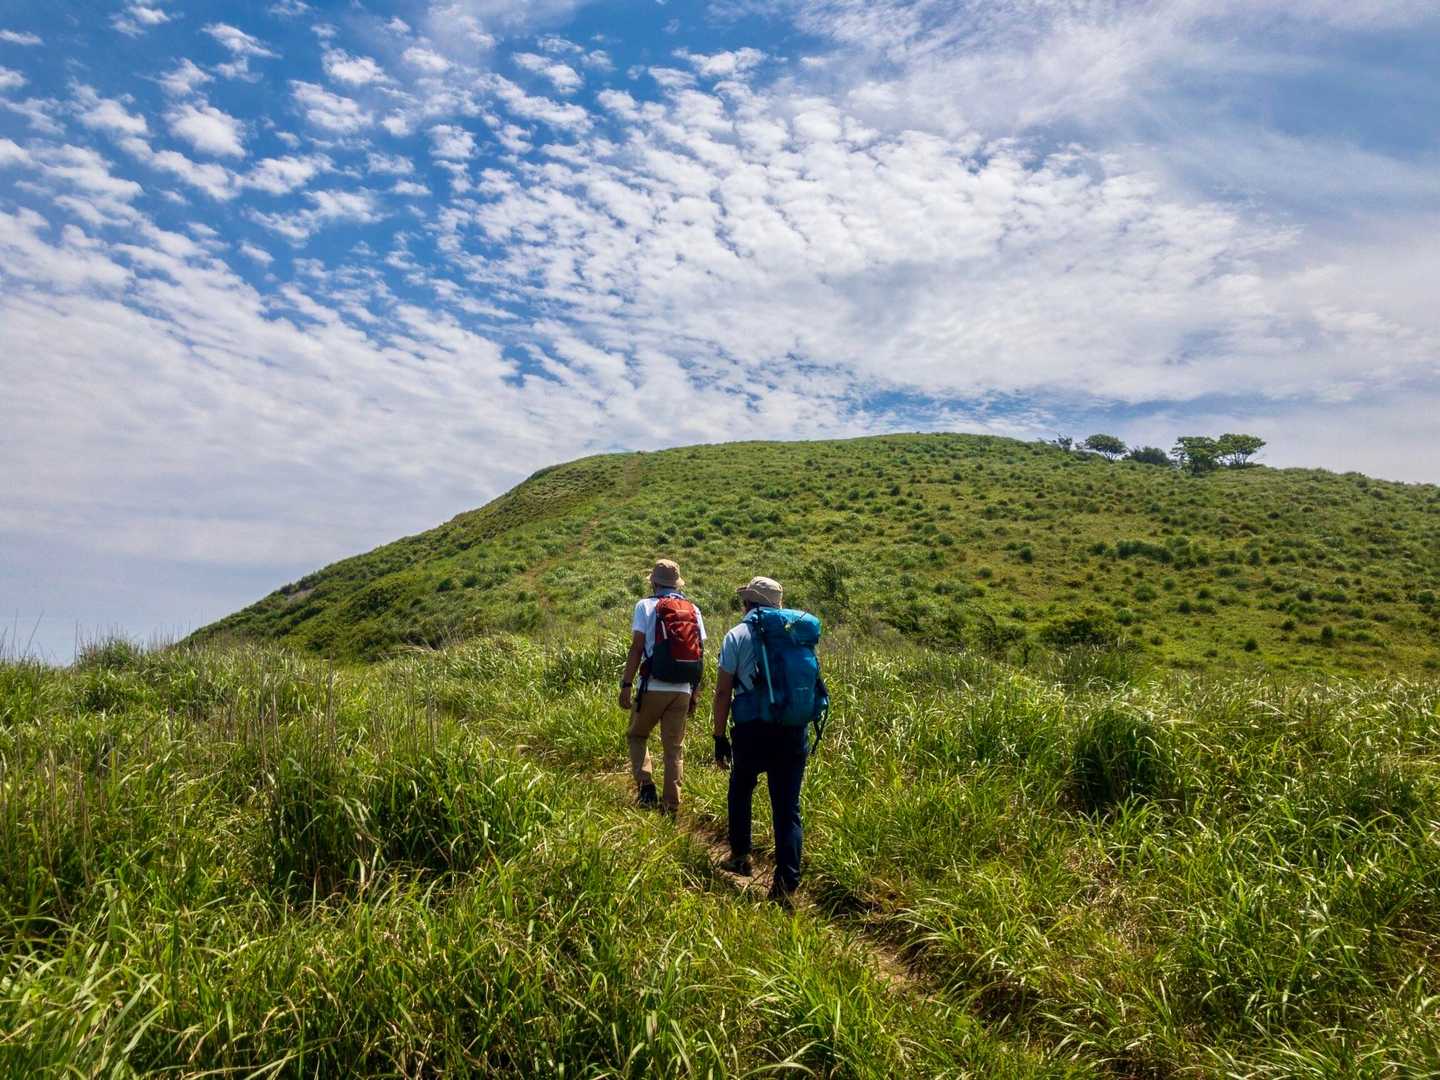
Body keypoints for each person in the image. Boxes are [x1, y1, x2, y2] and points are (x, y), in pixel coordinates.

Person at [711, 575, 809, 903]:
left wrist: (719, 735)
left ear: (748, 603)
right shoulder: (796, 634)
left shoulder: (737, 634)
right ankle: (786, 885)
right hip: (793, 727)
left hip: (752, 728)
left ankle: (740, 856)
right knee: (787, 808)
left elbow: (723, 691)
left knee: (741, 788)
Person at [619, 559, 706, 814]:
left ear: (654, 583)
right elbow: (700, 652)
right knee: (674, 749)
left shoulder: (645, 606)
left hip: (653, 685)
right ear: (677, 584)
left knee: (637, 735)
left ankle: (646, 787)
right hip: (683, 689)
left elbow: (637, 647)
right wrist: (695, 692)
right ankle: (671, 806)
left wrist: (626, 684)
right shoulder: (693, 609)